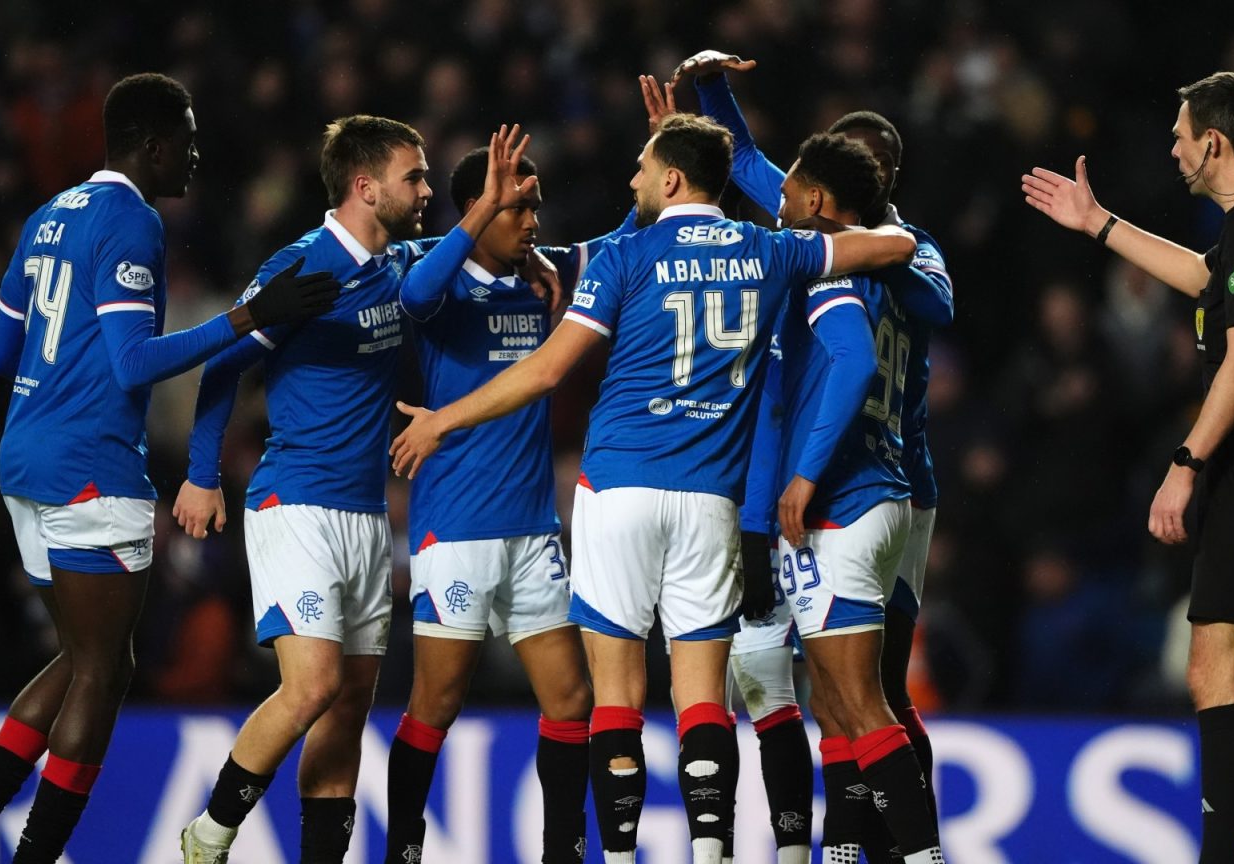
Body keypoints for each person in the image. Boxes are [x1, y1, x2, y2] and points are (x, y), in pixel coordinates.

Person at [390, 112, 920, 864]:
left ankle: (617, 856)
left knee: (616, 694)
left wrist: (444, 419)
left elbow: (548, 370)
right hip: (710, 497)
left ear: (670, 178)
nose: (632, 178)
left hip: (618, 489)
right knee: (703, 697)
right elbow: (894, 246)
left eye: (642, 166)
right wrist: (878, 225)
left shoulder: (626, 255)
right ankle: (711, 854)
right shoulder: (772, 248)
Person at [0, 73, 339, 864]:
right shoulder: (132, 220)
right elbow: (134, 363)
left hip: (24, 461)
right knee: (103, 672)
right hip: (90, 468)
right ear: (153, 145)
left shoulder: (49, 215)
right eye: (188, 139)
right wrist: (251, 316)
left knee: (86, 658)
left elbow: (3, 351)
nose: (197, 154)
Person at [171, 119, 536, 864]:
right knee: (311, 688)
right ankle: (208, 835)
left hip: (366, 517)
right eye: (415, 177)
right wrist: (202, 475)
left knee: (344, 714)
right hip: (296, 504)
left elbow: (463, 258)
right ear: (366, 187)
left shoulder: (401, 263)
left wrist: (529, 256)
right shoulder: (303, 266)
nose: (427, 190)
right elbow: (223, 366)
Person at [1023, 71, 1234, 863]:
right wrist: (1100, 224)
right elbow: (1206, 278)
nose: (1172, 149)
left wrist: (1186, 462)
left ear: (1214, 142)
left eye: (1181, 136)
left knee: (1214, 671)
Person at [669, 51, 953, 861]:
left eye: (874, 157)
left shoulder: (901, 250)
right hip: (853, 483)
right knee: (836, 690)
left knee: (872, 690)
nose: (779, 193)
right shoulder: (826, 243)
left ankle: (904, 848)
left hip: (880, 484)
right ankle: (847, 847)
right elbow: (749, 165)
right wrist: (709, 93)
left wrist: (870, 244)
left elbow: (934, 305)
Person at [382, 142, 631, 864]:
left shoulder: (539, 275)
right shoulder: (440, 281)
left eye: (535, 208)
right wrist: (486, 209)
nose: (531, 221)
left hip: (532, 531)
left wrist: (664, 142)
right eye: (516, 207)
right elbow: (413, 298)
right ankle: (403, 851)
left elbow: (624, 244)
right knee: (437, 704)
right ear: (477, 208)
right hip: (457, 527)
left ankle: (562, 853)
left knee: (571, 700)